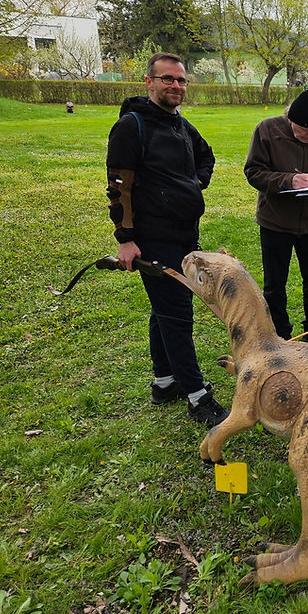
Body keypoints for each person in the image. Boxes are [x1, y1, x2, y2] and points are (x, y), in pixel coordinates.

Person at [105, 52, 228, 426]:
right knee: (177, 314)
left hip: (185, 234)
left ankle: (164, 382)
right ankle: (197, 397)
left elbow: (207, 158)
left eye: (181, 80)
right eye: (167, 79)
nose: (176, 86)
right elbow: (118, 186)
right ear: (149, 82)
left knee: (165, 311)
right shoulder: (132, 126)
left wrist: (192, 183)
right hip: (153, 237)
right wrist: (126, 238)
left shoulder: (180, 125)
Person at [244, 90, 308, 348]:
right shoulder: (267, 130)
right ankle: (280, 333)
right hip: (275, 221)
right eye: (304, 131)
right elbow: (254, 172)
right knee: (275, 284)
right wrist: (287, 180)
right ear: (290, 119)